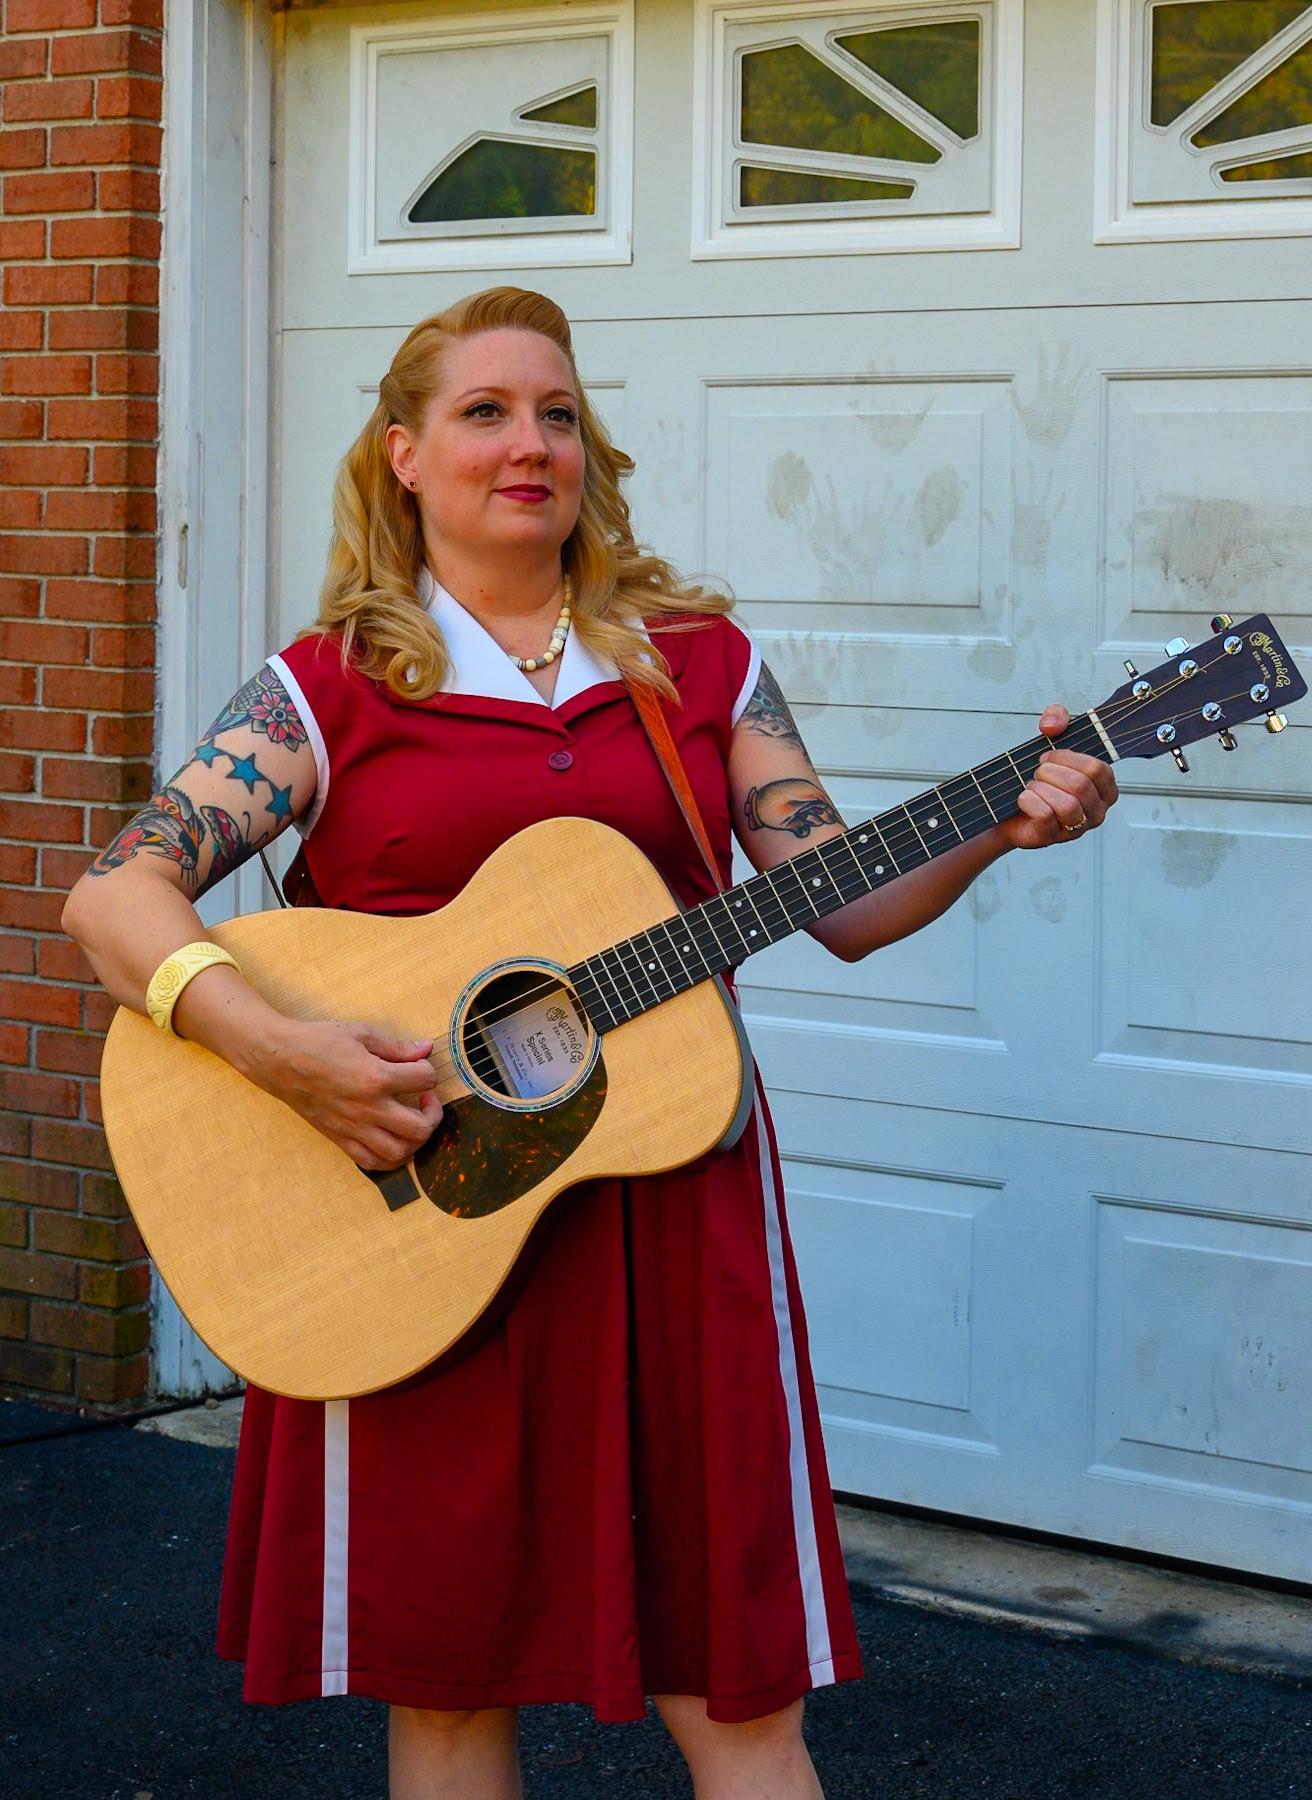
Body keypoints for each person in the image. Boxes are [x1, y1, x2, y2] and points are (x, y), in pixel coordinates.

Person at [63, 286, 1118, 1800]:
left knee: (741, 1701)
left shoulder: (699, 666)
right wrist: (281, 1054)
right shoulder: (324, 688)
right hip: (413, 1215)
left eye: (556, 414)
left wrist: (1005, 821)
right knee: (448, 1695)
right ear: (403, 453)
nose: (530, 444)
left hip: (671, 1209)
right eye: (485, 412)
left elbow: (843, 899)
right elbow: (115, 899)